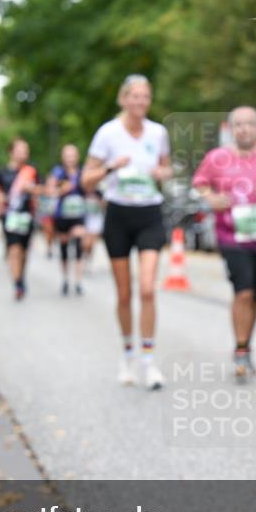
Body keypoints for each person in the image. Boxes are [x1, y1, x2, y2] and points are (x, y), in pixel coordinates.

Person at [81, 74, 173, 390]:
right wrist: (110, 168)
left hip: (149, 213)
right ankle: (127, 354)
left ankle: (148, 362)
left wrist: (162, 172)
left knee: (147, 288)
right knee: (124, 293)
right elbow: (85, 180)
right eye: (134, 96)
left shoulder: (158, 132)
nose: (140, 102)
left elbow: (166, 167)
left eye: (145, 97)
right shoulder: (107, 134)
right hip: (118, 214)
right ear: (123, 99)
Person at [192, 106, 256, 383]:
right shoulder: (217, 158)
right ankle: (240, 350)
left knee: (255, 294)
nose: (244, 129)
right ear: (230, 129)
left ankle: (246, 344)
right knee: (244, 292)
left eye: (249, 124)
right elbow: (200, 183)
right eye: (238, 125)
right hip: (231, 236)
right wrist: (211, 198)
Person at [1, 140, 41, 300]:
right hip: (10, 216)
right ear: (11, 152)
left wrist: (32, 190)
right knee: (14, 249)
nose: (24, 153)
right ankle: (17, 283)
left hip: (27, 216)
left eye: (26, 150)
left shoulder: (31, 171)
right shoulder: (3, 173)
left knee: (24, 251)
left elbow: (40, 189)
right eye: (20, 150)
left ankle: (21, 276)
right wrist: (1, 199)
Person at [46, 144, 88, 296]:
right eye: (67, 155)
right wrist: (62, 190)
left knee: (78, 245)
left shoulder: (82, 172)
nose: (70, 158)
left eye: (73, 155)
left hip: (78, 214)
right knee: (64, 248)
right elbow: (49, 191)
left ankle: (78, 281)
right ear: (63, 157)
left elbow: (90, 190)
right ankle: (65, 279)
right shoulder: (57, 173)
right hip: (62, 215)